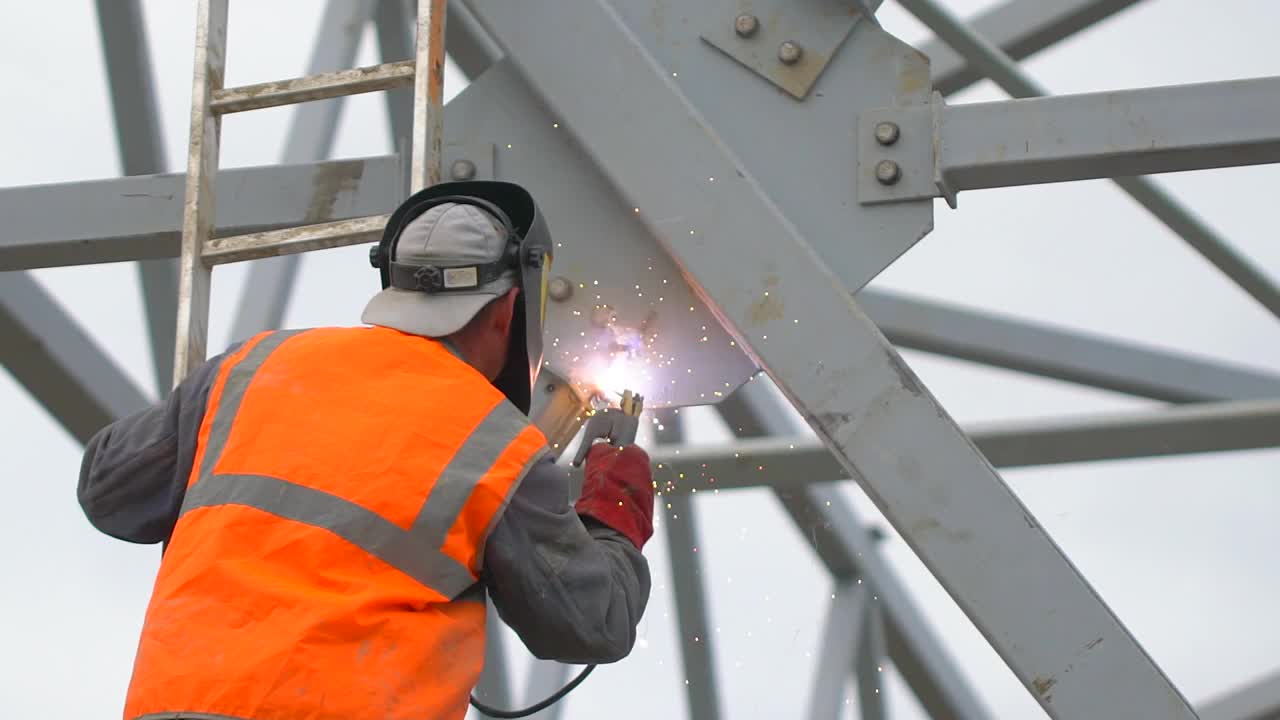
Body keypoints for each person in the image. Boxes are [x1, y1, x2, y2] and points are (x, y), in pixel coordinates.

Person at [78, 181, 656, 720]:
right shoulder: (500, 449)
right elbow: (589, 623)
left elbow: (108, 492)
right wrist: (611, 517)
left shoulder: (252, 366)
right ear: (509, 309)